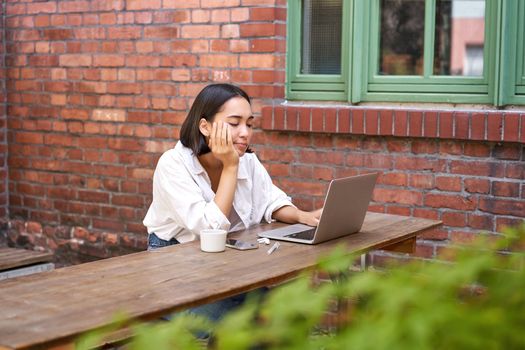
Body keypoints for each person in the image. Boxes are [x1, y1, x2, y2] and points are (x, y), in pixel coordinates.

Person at [143, 83, 322, 322]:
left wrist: (303, 216)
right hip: (176, 273)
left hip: (225, 268)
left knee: (289, 315)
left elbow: (270, 199)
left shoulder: (247, 160)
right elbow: (210, 229)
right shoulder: (173, 164)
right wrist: (229, 166)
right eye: (234, 123)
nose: (245, 133)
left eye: (249, 124)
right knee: (247, 325)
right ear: (205, 126)